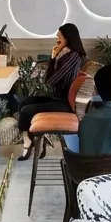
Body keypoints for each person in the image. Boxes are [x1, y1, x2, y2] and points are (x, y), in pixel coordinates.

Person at [16, 23, 87, 160]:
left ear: (67, 37)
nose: (57, 37)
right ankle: (30, 139)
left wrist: (54, 60)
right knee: (23, 103)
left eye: (59, 35)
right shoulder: (63, 54)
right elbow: (50, 78)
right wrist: (53, 56)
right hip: (57, 98)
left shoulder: (73, 56)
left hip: (65, 103)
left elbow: (53, 80)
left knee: (26, 111)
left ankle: (28, 143)